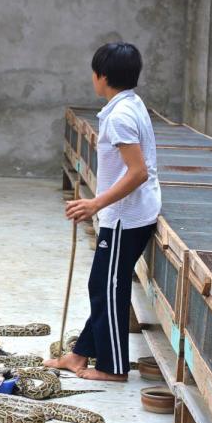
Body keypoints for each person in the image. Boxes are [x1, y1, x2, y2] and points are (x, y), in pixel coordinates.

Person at [45, 43, 161, 382]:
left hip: (126, 217)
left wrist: (96, 203)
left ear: (102, 76)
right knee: (103, 284)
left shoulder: (121, 116)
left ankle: (113, 367)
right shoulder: (129, 104)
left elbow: (137, 171)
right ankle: (79, 355)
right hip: (127, 214)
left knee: (109, 287)